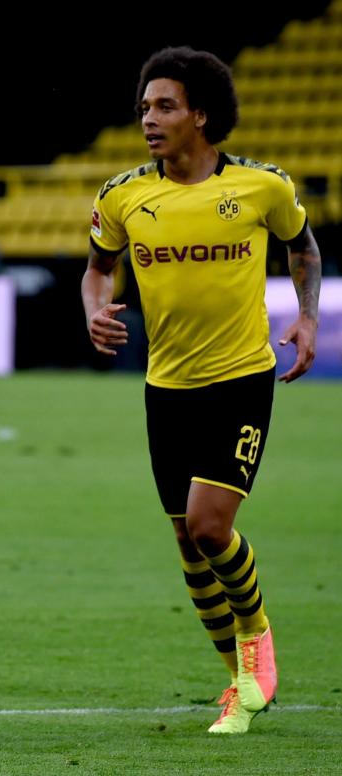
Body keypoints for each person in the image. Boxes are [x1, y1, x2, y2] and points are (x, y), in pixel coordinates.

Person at [83, 47, 320, 735]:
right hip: (167, 388)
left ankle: (257, 643)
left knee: (211, 527)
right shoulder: (122, 195)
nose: (148, 120)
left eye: (164, 106)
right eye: (143, 108)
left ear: (201, 115)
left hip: (241, 380)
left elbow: (300, 247)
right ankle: (237, 685)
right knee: (187, 542)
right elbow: (96, 269)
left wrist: (305, 317)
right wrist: (93, 308)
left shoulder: (261, 188)